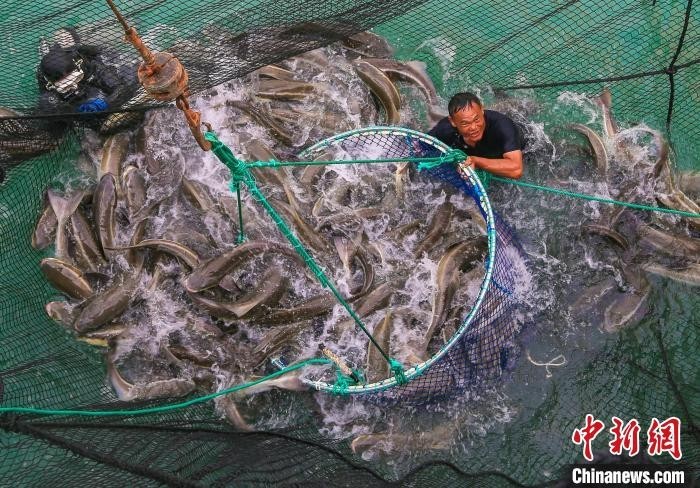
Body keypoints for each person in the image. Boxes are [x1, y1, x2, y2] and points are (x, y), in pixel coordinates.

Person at [428, 92, 524, 179]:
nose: (474, 127)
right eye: (465, 123)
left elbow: (516, 170)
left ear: (482, 110)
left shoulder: (502, 126)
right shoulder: (445, 129)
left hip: (524, 148)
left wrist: (476, 161)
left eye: (476, 119)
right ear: (452, 121)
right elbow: (422, 145)